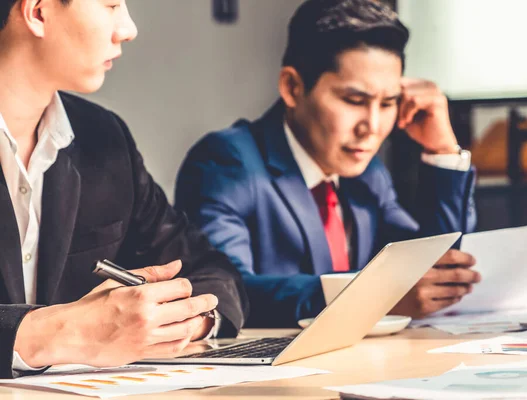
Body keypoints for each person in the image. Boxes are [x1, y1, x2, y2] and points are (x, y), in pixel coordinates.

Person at [175, 0, 479, 328]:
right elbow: (227, 291)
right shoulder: (225, 162)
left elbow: (435, 267)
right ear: (293, 87)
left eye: (388, 103)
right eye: (354, 101)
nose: (372, 127)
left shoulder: (368, 172)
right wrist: (374, 295)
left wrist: (443, 151)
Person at [0, 0, 248, 378]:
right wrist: (56, 332)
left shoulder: (105, 138)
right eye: (111, 4)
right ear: (37, 11)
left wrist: (177, 324)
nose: (128, 28)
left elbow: (210, 271)